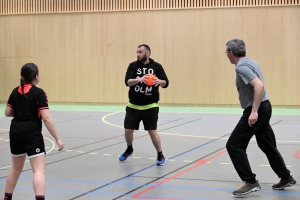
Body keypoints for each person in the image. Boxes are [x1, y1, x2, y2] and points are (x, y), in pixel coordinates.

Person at [225, 39, 296, 195]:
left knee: (234, 145)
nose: (227, 56)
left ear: (231, 53)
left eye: (226, 53)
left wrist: (254, 111)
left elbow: (259, 85)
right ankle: (285, 177)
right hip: (266, 106)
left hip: (257, 108)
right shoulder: (250, 61)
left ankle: (250, 181)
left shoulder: (241, 67)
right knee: (266, 144)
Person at [3, 63, 64, 200]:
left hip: (16, 132)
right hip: (32, 134)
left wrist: (21, 112)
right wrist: (57, 138)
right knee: (38, 170)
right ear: (36, 76)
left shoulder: (15, 91)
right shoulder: (39, 93)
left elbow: (7, 113)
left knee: (15, 168)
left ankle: (7, 198)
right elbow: (46, 118)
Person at [119, 44, 169, 166]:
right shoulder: (133, 66)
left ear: (148, 53)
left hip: (150, 106)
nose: (138, 54)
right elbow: (128, 81)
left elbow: (166, 82)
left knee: (152, 131)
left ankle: (160, 154)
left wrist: (159, 81)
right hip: (133, 106)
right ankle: (129, 148)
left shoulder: (157, 67)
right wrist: (140, 79)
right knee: (128, 130)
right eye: (137, 52)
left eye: (140, 52)